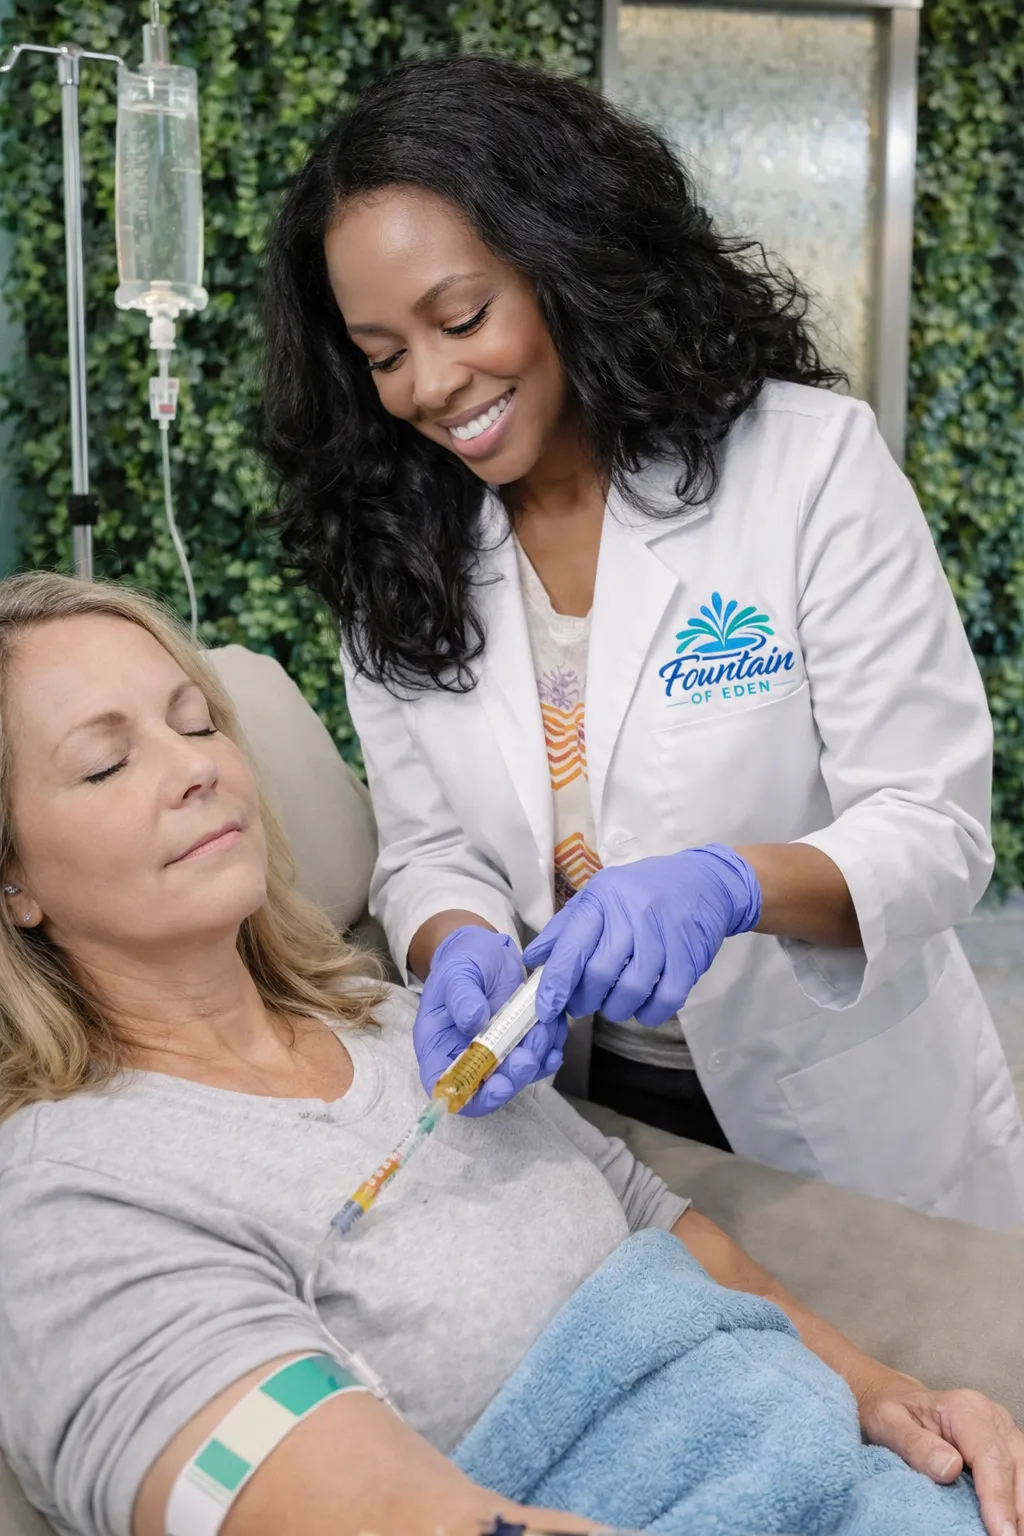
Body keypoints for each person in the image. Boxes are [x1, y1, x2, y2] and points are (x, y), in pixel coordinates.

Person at [0, 572, 1022, 1536]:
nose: (197, 767)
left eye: (197, 723)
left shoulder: (390, 1022)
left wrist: (884, 1395)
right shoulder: (78, 1202)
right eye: (106, 763)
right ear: (15, 883)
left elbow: (648, 1218)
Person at [259, 53, 1024, 1227]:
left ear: (568, 261)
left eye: (461, 317)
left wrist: (732, 885)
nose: (432, 383)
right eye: (383, 355)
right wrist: (455, 943)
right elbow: (428, 849)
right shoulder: (393, 546)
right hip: (584, 1105)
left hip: (846, 1108)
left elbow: (934, 830)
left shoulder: (805, 468)